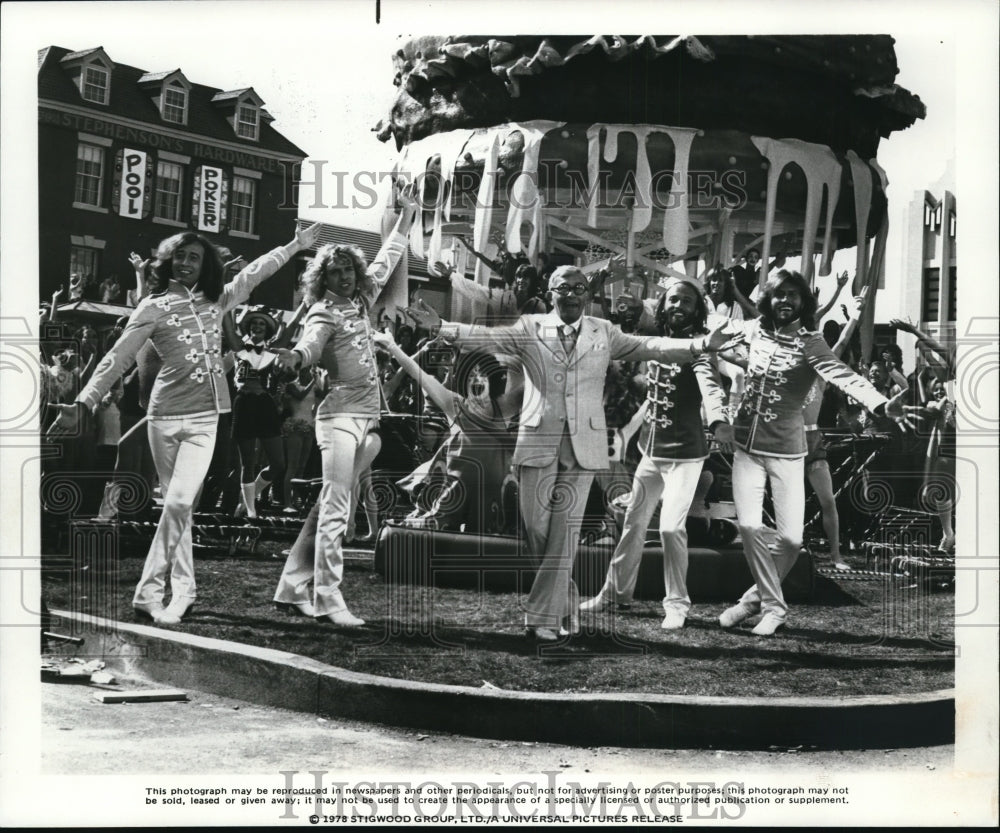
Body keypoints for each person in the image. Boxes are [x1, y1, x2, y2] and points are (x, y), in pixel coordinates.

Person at [406, 265, 730, 641]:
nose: (573, 294)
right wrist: (440, 326)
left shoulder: (603, 332)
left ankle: (541, 618)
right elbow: (485, 336)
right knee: (535, 529)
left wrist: (701, 345)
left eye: (580, 288)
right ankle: (566, 597)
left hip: (584, 447)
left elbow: (651, 345)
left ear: (588, 296)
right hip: (537, 442)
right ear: (552, 291)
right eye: (564, 287)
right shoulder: (529, 327)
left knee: (565, 532)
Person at [48, 222, 322, 625]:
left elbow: (254, 273)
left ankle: (149, 591)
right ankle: (185, 591)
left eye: (195, 256)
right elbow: (118, 357)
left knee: (178, 503)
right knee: (180, 510)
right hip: (162, 417)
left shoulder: (218, 302)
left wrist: (294, 245)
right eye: (180, 255)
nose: (187, 262)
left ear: (205, 265)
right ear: (167, 262)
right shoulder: (151, 307)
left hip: (206, 417)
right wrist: (84, 402)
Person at [715, 270, 912, 636]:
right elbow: (715, 340)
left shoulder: (811, 342)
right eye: (779, 294)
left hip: (789, 451)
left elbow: (842, 373)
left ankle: (750, 601)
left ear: (804, 302)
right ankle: (774, 609)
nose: (785, 301)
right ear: (768, 300)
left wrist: (880, 404)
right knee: (748, 526)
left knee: (791, 540)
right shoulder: (752, 331)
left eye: (793, 295)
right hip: (746, 447)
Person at [272, 184, 418, 627]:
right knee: (338, 507)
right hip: (337, 419)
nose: (344, 278)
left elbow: (388, 257)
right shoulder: (323, 312)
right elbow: (310, 346)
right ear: (324, 279)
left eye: (348, 271)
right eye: (335, 273)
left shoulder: (361, 302)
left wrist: (407, 217)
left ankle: (291, 586)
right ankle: (328, 598)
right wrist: (296, 358)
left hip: (365, 421)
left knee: (327, 504)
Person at [579, 276, 731, 629]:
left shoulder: (699, 348)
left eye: (686, 302)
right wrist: (625, 433)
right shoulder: (655, 344)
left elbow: (711, 388)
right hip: (651, 451)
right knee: (632, 524)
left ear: (697, 310)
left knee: (670, 528)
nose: (678, 306)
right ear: (663, 307)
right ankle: (615, 594)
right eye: (673, 300)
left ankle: (677, 603)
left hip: (686, 456)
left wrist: (719, 420)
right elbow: (652, 400)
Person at [373, 330, 520, 533]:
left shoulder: (503, 407)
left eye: (482, 373)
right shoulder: (456, 404)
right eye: (471, 375)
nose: (476, 379)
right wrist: (392, 347)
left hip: (494, 491)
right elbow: (419, 374)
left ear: (492, 381)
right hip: (457, 488)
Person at [231, 306, 289, 518]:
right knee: (248, 462)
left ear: (268, 329)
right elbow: (229, 327)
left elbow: (288, 333)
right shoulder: (239, 347)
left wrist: (303, 306)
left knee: (278, 463)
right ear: (248, 327)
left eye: (262, 323)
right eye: (254, 323)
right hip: (244, 402)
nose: (257, 326)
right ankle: (250, 511)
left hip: (265, 404)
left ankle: (248, 496)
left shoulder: (271, 351)